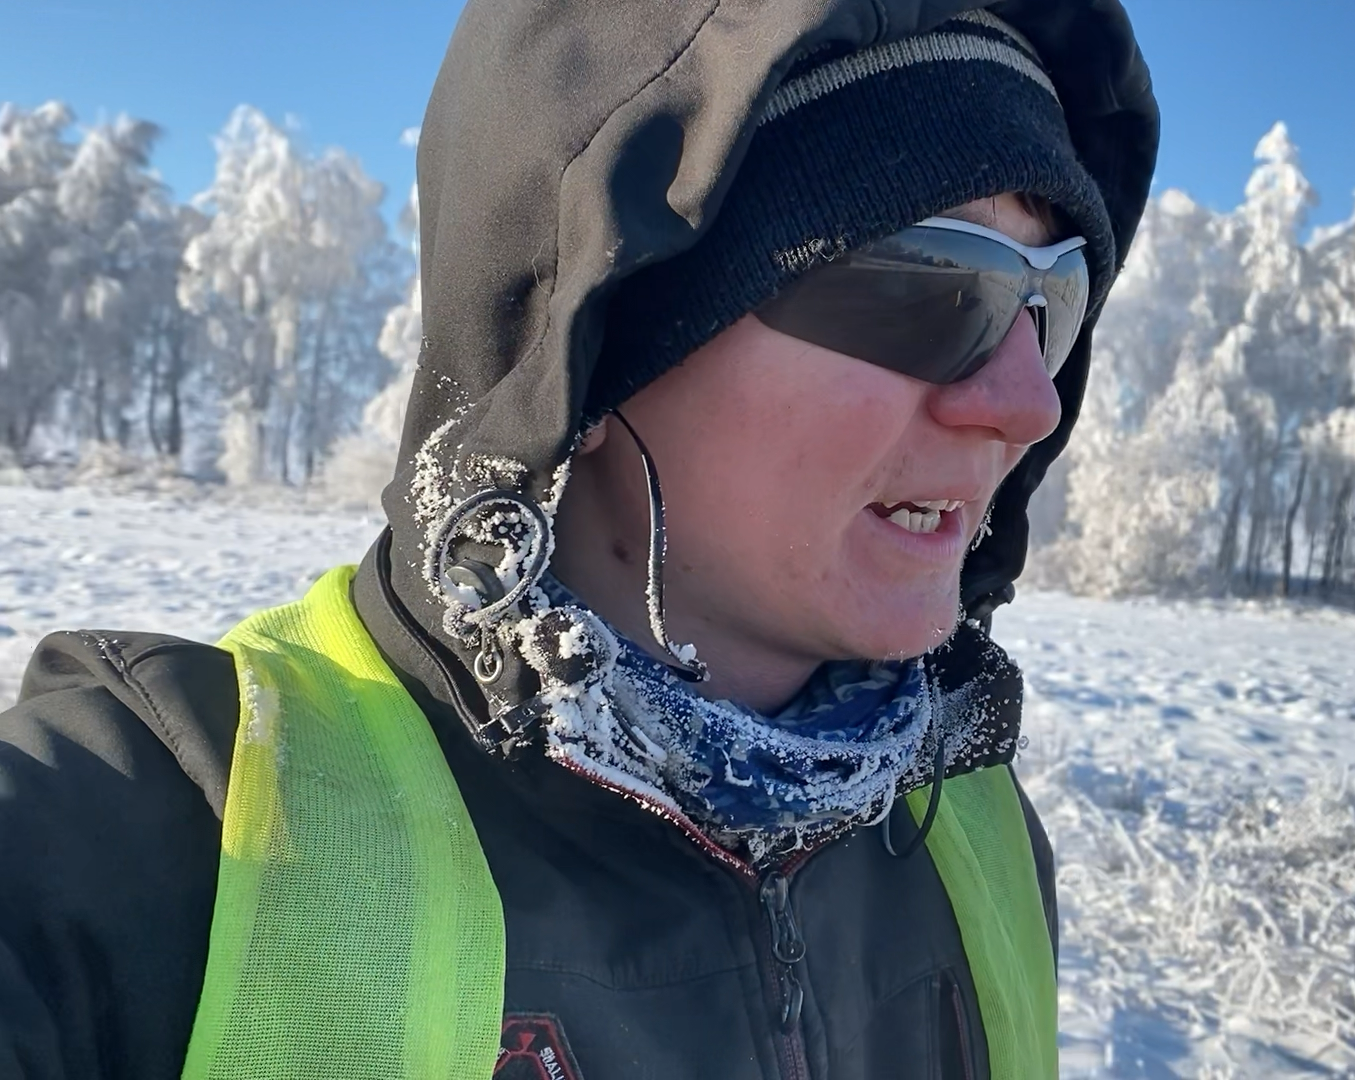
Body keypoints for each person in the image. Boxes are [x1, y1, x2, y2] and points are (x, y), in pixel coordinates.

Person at [0, 0, 1156, 1076]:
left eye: (1051, 302)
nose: (1027, 403)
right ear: (593, 341)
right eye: (929, 281)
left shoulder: (977, 834)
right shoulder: (170, 829)